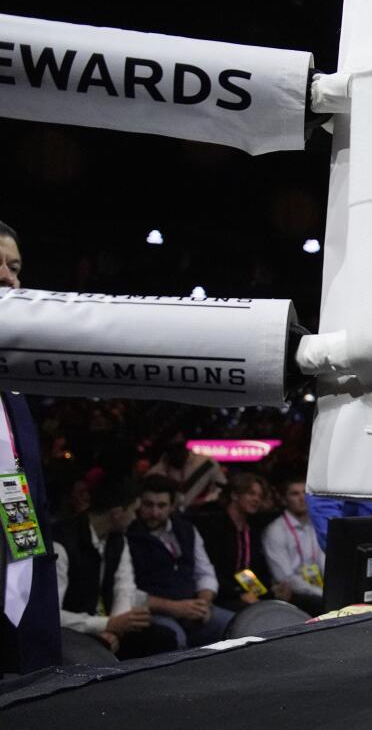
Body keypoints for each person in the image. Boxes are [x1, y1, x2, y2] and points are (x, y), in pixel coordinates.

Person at [1, 219, 64, 674]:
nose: (8, 276)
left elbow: (24, 499)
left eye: (15, 267)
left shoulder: (16, 386)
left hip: (20, 570)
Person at [53, 479, 176, 659]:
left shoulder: (117, 539)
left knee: (164, 638)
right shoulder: (61, 544)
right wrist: (107, 624)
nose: (135, 517)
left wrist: (119, 627)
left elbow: (124, 587)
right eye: (134, 511)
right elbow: (52, 615)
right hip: (70, 630)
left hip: (103, 622)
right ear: (117, 513)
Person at [126, 476, 233, 648]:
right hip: (153, 610)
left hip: (193, 605)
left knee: (236, 626)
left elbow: (204, 572)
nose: (154, 512)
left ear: (172, 506)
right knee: (174, 637)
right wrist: (174, 607)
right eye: (148, 505)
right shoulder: (127, 535)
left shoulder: (186, 529)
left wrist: (203, 603)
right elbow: (127, 592)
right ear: (139, 504)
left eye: (161, 506)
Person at [193, 473, 293, 613]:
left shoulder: (251, 529)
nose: (256, 499)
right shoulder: (214, 526)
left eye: (259, 496)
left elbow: (252, 572)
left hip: (247, 593)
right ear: (234, 495)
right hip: (220, 594)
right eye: (251, 494)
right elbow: (211, 571)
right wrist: (238, 594)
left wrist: (270, 592)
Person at [262, 473, 325, 616]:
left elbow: (324, 562)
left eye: (305, 493)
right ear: (285, 499)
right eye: (295, 494)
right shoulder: (276, 530)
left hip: (318, 588)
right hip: (293, 593)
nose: (302, 498)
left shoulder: (315, 525)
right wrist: (321, 593)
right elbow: (285, 578)